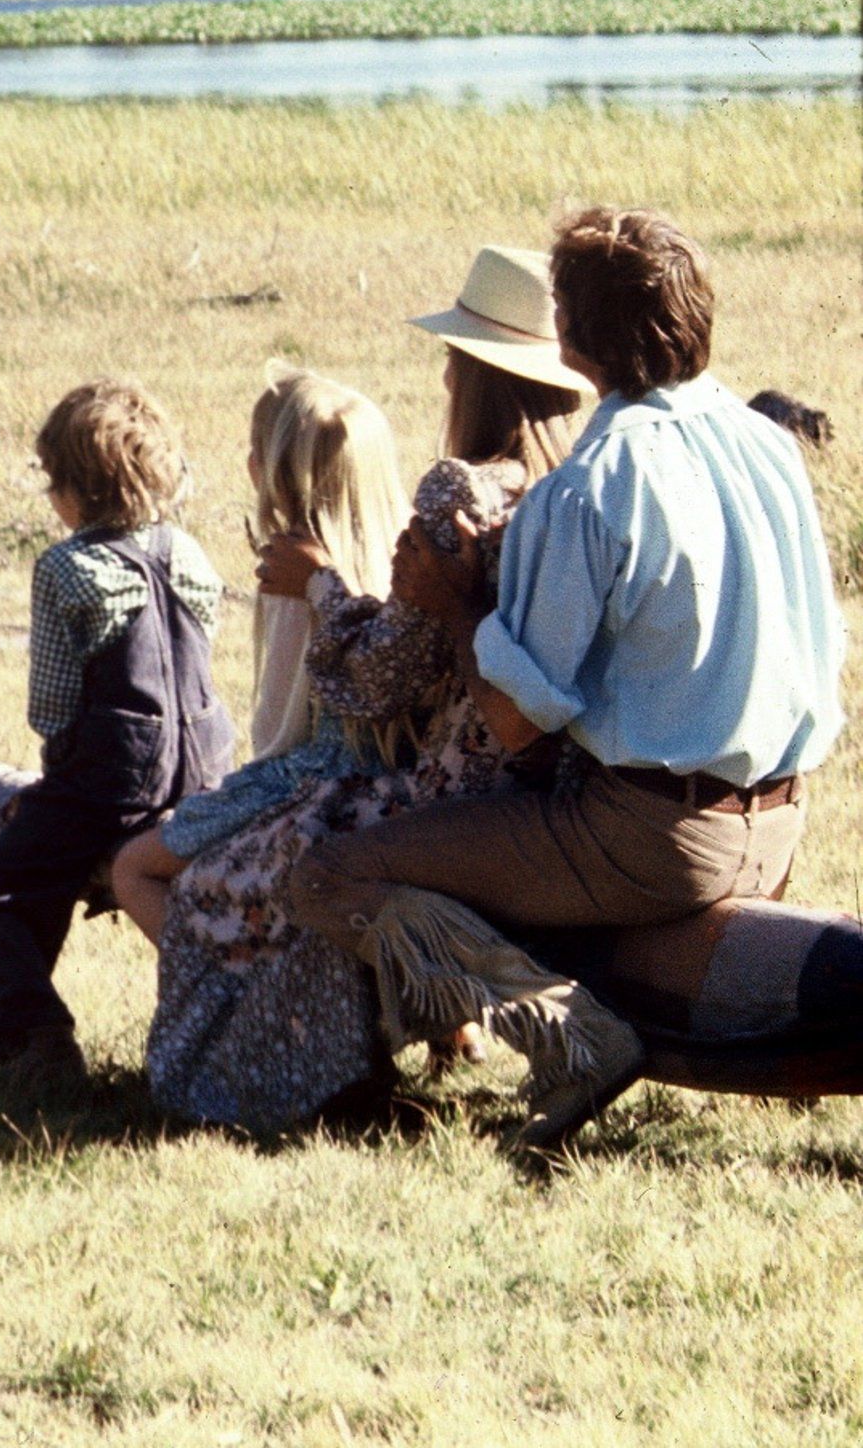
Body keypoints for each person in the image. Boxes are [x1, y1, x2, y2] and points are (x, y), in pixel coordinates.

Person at [285, 208, 848, 1146]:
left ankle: (572, 1037)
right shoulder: (764, 444)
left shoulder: (592, 483)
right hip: (778, 822)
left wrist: (453, 603)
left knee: (327, 875)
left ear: (573, 334)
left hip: (650, 840)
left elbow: (517, 723)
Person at [137, 247, 586, 1132]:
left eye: (453, 360)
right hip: (545, 782)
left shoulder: (462, 488)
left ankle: (265, 1073)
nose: (445, 378)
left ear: (477, 375)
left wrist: (320, 585)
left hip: (448, 789)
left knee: (224, 883)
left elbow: (378, 679)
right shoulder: (569, 495)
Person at [0, 378, 234, 1088]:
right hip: (203, 767)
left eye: (52, 480)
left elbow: (51, 706)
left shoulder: (67, 567)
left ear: (75, 489)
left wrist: (55, 786)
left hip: (112, 778)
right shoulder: (186, 550)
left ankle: (35, 1038)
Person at [111, 367, 403, 946]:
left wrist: (239, 798)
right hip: (394, 784)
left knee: (133, 869)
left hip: (308, 781)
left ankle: (215, 980)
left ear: (270, 472)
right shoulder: (400, 554)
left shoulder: (294, 572)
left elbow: (281, 727)